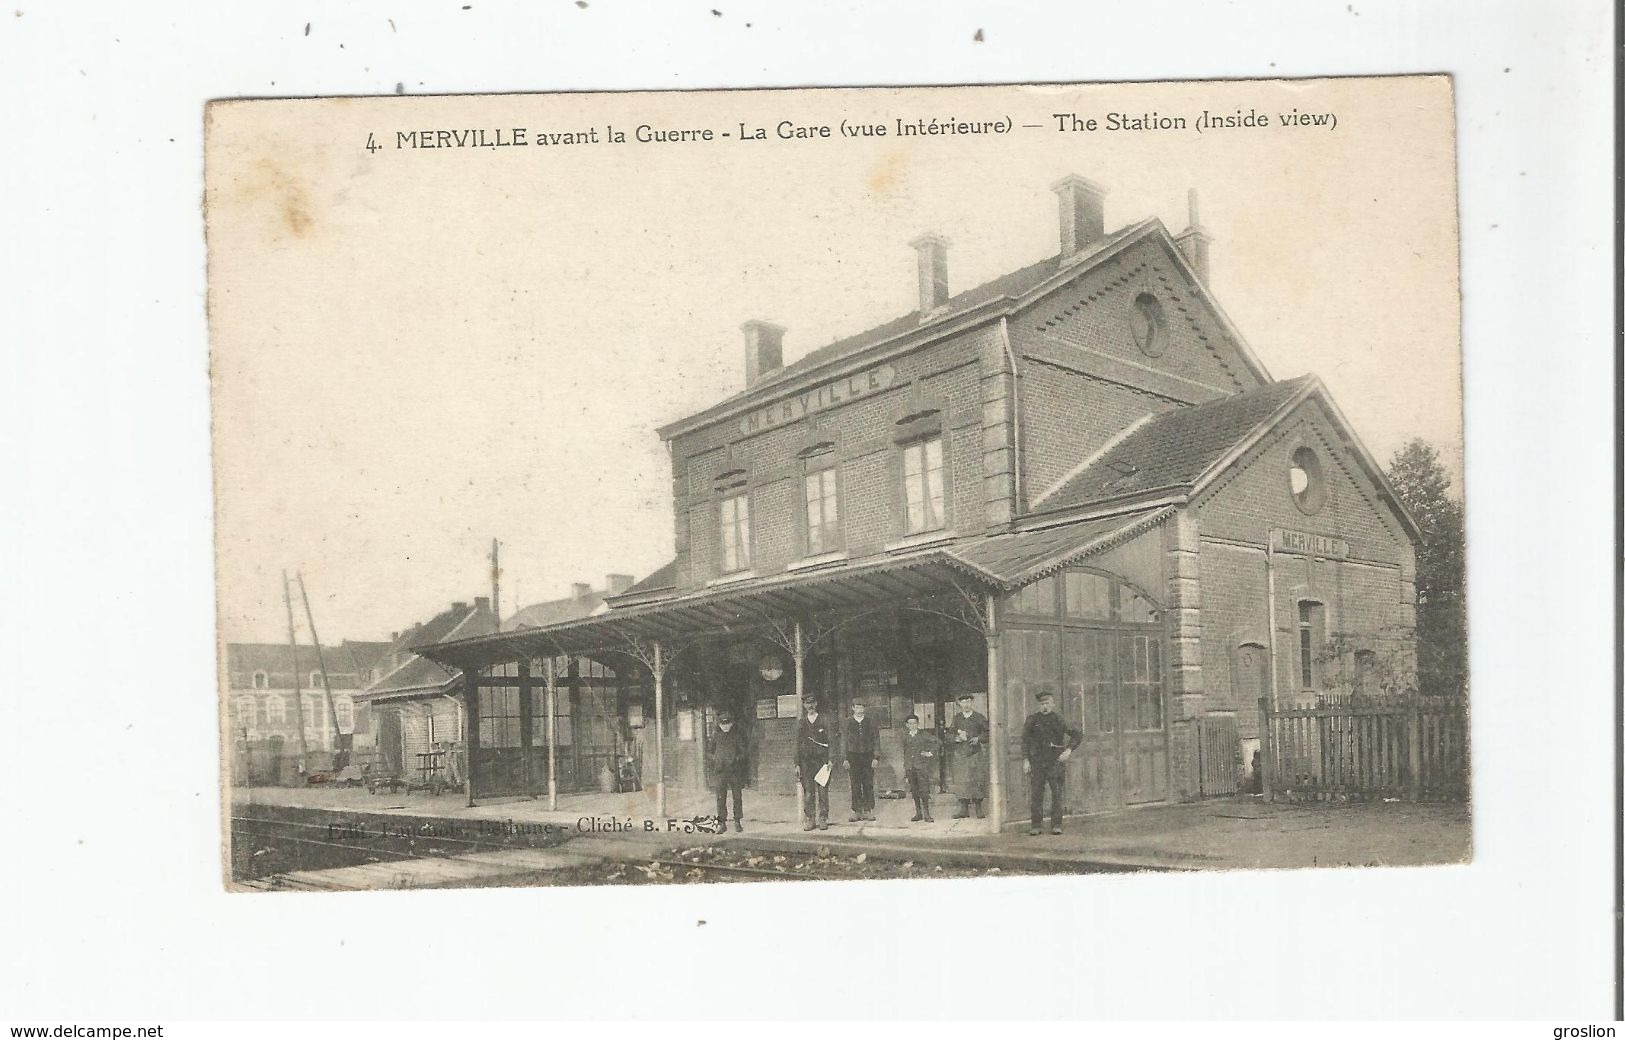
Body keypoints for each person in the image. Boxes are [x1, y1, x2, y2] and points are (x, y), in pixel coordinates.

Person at [1021, 689, 1082, 835]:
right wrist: (1026, 760)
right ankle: (1036, 825)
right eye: (1042, 704)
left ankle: (1056, 825)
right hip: (1037, 762)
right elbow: (1025, 741)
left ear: (1053, 704)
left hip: (1055, 762)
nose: (1044, 706)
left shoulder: (1059, 719)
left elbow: (1077, 734)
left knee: (1057, 793)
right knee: (1036, 794)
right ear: (1038, 705)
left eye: (1047, 703)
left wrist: (1068, 750)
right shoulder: (1032, 720)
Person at [948, 693, 990, 818]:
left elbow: (988, 732)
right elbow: (949, 734)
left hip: (974, 754)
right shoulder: (957, 718)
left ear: (972, 703)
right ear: (959, 704)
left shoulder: (979, 717)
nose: (966, 704)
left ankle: (978, 808)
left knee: (977, 780)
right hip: (960, 754)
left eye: (968, 701)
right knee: (962, 781)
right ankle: (964, 810)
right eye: (963, 702)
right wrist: (956, 738)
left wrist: (978, 738)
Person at [795, 695, 833, 830]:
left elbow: (831, 741)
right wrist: (797, 764)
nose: (810, 706)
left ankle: (823, 818)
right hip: (806, 763)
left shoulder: (824, 720)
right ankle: (810, 819)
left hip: (821, 761)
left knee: (822, 791)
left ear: (816, 704)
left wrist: (830, 759)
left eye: (812, 703)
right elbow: (798, 744)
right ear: (804, 705)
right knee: (809, 792)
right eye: (807, 703)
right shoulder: (801, 722)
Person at [842, 698, 880, 822]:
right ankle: (857, 811)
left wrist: (876, 757)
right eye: (857, 707)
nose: (859, 710)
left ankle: (868, 810)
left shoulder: (870, 721)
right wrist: (845, 758)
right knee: (855, 784)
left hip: (868, 756)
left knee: (868, 784)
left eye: (862, 707)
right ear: (853, 708)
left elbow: (876, 740)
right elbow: (844, 741)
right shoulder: (847, 722)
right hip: (853, 756)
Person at [712, 709, 749, 832]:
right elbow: (709, 752)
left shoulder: (737, 736)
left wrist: (735, 759)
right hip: (721, 771)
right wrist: (716, 759)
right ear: (719, 724)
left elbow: (744, 753)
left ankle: (737, 821)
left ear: (731, 723)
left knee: (737, 797)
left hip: (734, 771)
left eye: (727, 723)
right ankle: (722, 823)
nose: (725, 726)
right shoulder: (716, 736)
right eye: (722, 724)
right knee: (720, 797)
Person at [901, 714, 938, 822]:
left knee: (924, 790)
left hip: (921, 766)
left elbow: (938, 742)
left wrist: (930, 753)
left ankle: (927, 814)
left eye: (915, 723)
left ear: (918, 724)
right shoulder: (905, 736)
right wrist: (906, 766)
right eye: (910, 723)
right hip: (910, 767)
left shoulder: (924, 734)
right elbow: (905, 752)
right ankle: (918, 813)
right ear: (907, 725)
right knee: (914, 790)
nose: (913, 725)